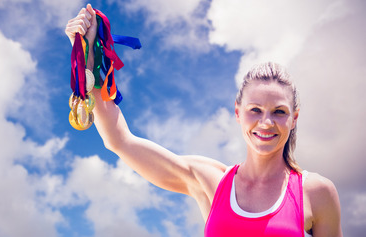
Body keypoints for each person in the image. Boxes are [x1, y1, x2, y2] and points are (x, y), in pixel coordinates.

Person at [65, 4, 343, 237]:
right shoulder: (212, 181)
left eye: (279, 112)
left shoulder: (316, 192)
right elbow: (119, 141)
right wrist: (88, 55)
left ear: (294, 119)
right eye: (255, 110)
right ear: (237, 112)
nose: (266, 122)